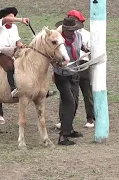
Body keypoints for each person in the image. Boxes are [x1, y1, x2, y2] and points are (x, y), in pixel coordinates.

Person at [54, 10, 95, 129]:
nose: (71, 31)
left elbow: (85, 48)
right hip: (64, 71)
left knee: (84, 93)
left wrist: (85, 50)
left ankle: (89, 118)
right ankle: (64, 123)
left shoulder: (83, 35)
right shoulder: (59, 37)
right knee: (67, 98)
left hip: (81, 66)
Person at [53, 17, 89, 146]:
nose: (72, 32)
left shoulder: (78, 37)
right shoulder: (58, 40)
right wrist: (58, 62)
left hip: (74, 73)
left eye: (74, 29)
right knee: (69, 102)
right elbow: (52, 56)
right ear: (64, 29)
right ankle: (63, 136)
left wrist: (85, 49)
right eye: (69, 30)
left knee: (74, 101)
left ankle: (69, 129)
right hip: (61, 75)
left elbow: (81, 47)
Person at [0, 7, 29, 98]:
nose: (12, 20)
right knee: (10, 66)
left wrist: (22, 45)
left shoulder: (14, 27)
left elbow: (17, 41)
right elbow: (6, 19)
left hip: (14, 51)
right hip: (2, 52)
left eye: (13, 17)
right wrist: (21, 20)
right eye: (11, 17)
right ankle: (13, 89)